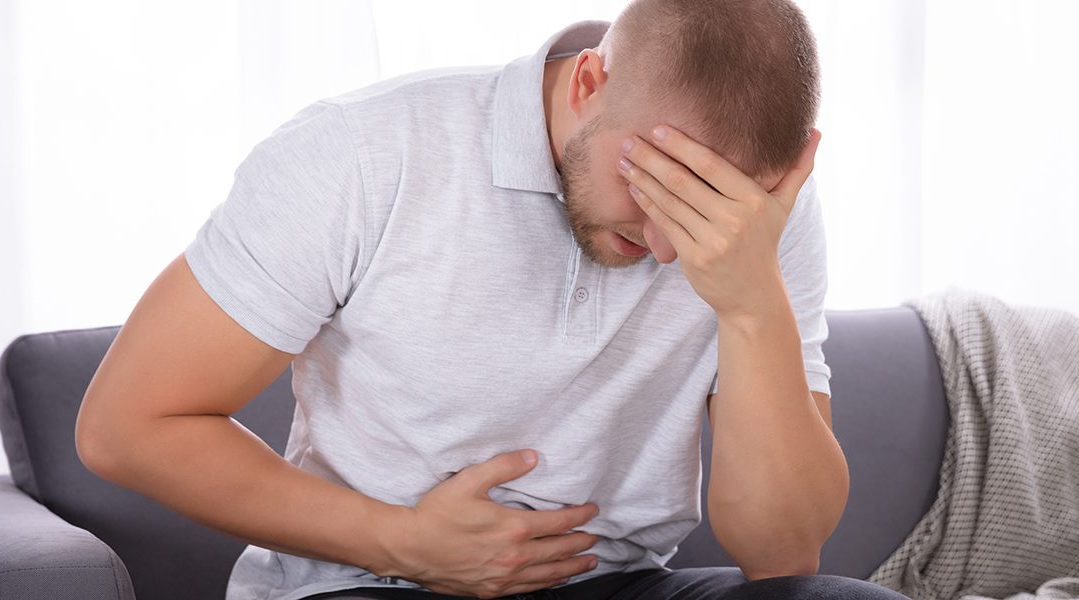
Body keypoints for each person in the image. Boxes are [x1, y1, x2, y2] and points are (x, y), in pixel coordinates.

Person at [76, 1, 905, 599]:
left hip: (615, 586)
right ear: (590, 82)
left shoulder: (752, 225)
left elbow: (785, 556)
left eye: (705, 207)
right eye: (651, 185)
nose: (670, 248)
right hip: (368, 582)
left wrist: (751, 304)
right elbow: (126, 425)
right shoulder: (363, 154)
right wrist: (403, 542)